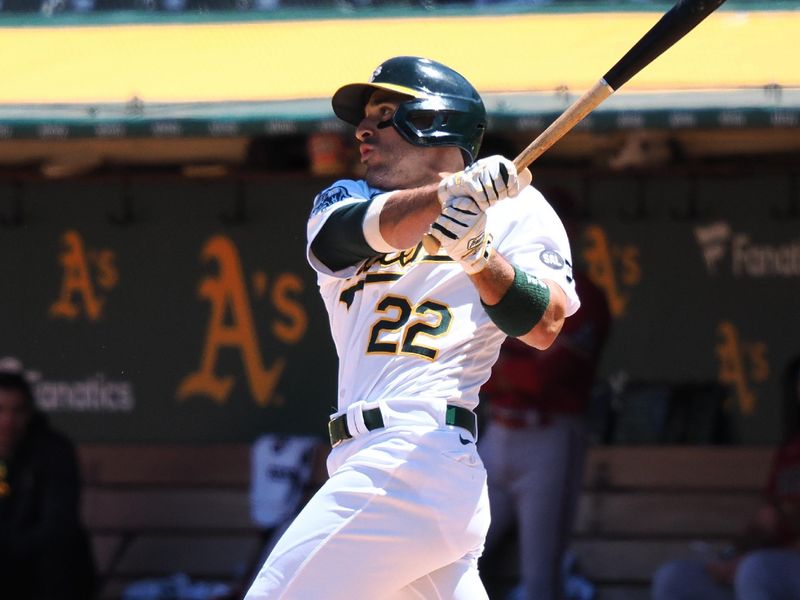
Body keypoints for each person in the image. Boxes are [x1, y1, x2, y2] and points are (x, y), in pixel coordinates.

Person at [245, 55, 580, 599]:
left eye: (383, 113)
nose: (362, 130)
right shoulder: (345, 199)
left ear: (434, 121)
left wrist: (476, 253)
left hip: (416, 452)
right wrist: (450, 196)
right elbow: (345, 237)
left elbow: (544, 324)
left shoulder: (519, 210)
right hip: (369, 460)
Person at [478, 197, 611, 600]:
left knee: (541, 578)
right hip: (496, 434)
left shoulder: (584, 296)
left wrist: (502, 367)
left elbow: (544, 377)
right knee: (450, 556)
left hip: (549, 438)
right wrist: (506, 370)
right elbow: (476, 373)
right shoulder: (491, 282)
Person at [651, 355, 800, 600]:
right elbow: (766, 522)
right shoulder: (790, 451)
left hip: (776, 568)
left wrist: (747, 561)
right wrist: (733, 555)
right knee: (674, 578)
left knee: (756, 571)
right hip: (768, 567)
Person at [0, 370, 96, 600]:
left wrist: (7, 549)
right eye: (0, 410)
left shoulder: (53, 451)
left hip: (38, 570)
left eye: (18, 411)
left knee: (57, 555)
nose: (7, 422)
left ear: (30, 413)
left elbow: (58, 526)